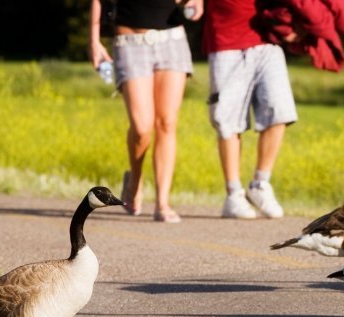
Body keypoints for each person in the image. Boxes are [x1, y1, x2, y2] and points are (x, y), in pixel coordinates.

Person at [89, 0, 203, 223]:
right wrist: (94, 40)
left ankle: (162, 203)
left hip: (172, 40)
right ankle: (134, 180)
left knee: (167, 122)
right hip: (129, 41)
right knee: (142, 127)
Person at [202, 0, 300, 219]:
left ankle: (260, 184)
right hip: (226, 40)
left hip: (267, 39)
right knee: (227, 121)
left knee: (279, 111)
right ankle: (233, 193)